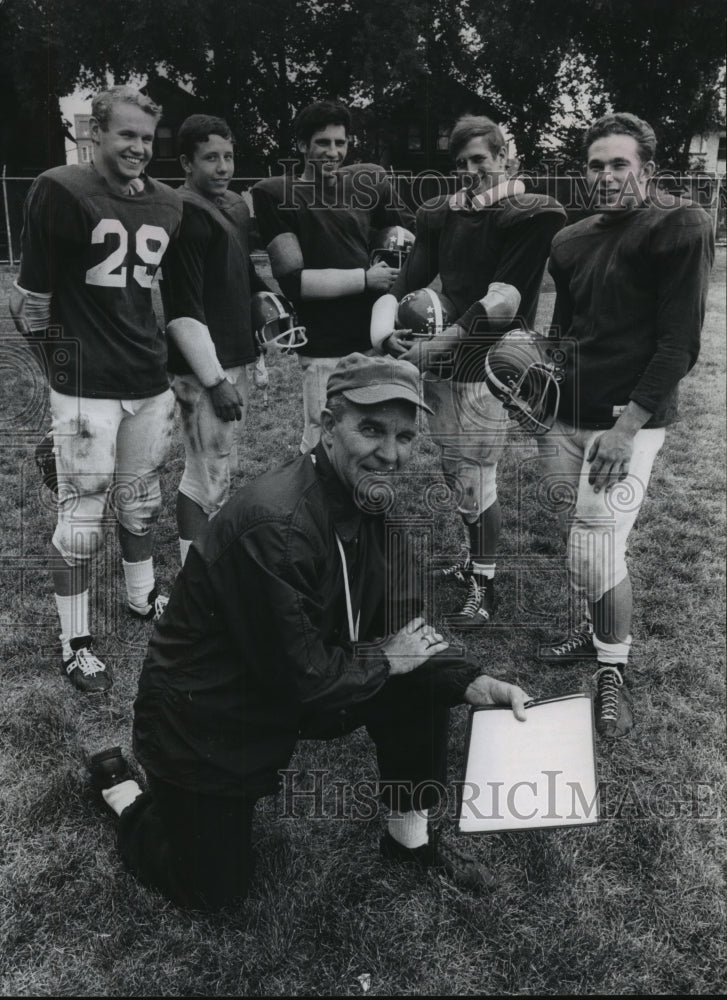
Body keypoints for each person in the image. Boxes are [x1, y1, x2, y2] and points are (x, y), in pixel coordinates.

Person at [88, 354, 530, 912]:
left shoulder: (372, 502)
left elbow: (407, 631)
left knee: (419, 676)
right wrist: (386, 660)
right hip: (207, 714)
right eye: (371, 429)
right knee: (213, 891)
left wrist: (473, 681)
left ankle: (409, 840)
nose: (390, 453)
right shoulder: (277, 525)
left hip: (297, 681)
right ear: (327, 425)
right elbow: (305, 677)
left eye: (404, 436)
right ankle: (128, 798)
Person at [536, 112, 714, 737]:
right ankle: (594, 631)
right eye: (596, 164)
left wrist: (626, 428)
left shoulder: (678, 223)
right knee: (587, 538)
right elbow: (564, 330)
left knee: (594, 545)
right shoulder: (570, 238)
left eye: (620, 163)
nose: (606, 176)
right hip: (567, 412)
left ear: (648, 169)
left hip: (625, 421)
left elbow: (679, 343)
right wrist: (540, 386)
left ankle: (613, 668)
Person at [9, 85, 183, 693]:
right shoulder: (62, 189)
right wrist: (62, 377)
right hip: (87, 384)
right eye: (126, 134)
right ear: (96, 134)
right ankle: (75, 641)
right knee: (82, 521)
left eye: (147, 137)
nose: (139, 147)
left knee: (142, 501)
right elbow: (30, 304)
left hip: (148, 378)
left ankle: (143, 596)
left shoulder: (167, 202)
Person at [370, 115, 566, 627]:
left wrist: (438, 343)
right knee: (454, 468)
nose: (470, 170)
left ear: (505, 158)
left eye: (481, 159)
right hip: (445, 362)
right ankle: (473, 560)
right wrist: (385, 330)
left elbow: (503, 300)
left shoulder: (529, 213)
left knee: (478, 475)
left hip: (489, 363)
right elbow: (409, 279)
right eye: (461, 163)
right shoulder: (445, 212)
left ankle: (485, 580)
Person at [252, 99, 416, 453]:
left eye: (340, 143)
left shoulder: (366, 184)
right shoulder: (278, 194)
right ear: (302, 145)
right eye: (323, 143)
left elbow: (403, 238)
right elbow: (295, 282)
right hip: (324, 343)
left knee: (369, 439)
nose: (333, 152)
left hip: (370, 338)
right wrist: (364, 279)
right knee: (322, 440)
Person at [161, 114, 273, 565]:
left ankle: (211, 562)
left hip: (232, 352)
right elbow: (183, 306)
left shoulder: (233, 206)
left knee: (220, 466)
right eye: (211, 158)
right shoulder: (184, 211)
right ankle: (195, 575)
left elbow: (243, 269)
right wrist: (213, 379)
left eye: (228, 156)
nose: (223, 167)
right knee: (204, 475)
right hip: (204, 364)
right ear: (186, 163)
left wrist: (267, 302)